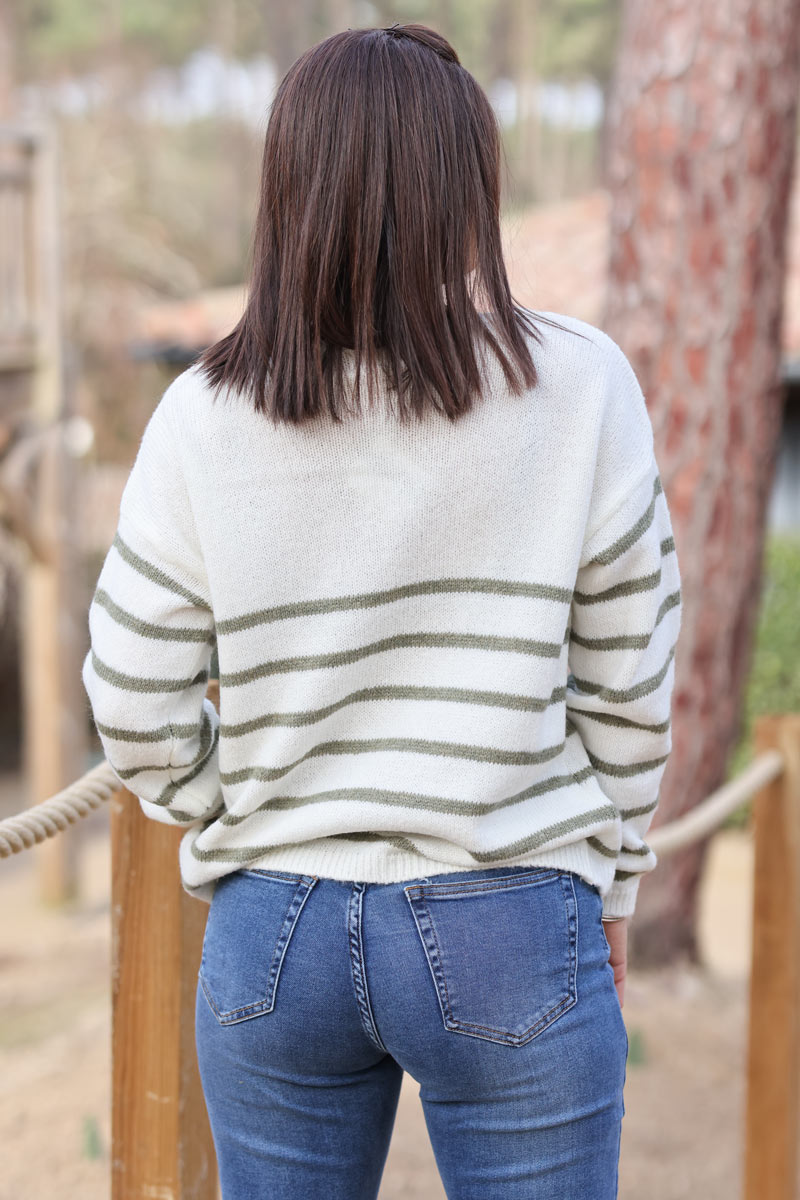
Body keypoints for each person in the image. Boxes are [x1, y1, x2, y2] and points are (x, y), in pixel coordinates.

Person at [82, 21, 682, 1200]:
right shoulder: (578, 385)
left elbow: (132, 696)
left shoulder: (203, 413)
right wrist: (606, 883)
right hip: (513, 910)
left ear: (287, 185)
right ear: (467, 190)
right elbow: (629, 679)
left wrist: (237, 820)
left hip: (274, 937)